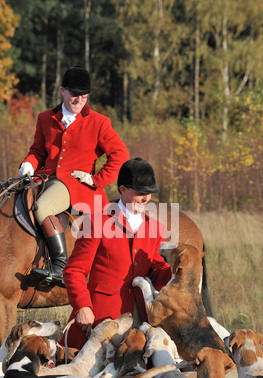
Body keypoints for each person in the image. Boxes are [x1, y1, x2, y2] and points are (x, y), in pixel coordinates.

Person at [19, 66, 129, 286]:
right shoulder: (45, 118)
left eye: (84, 96)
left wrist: (95, 179)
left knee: (42, 207)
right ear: (62, 91)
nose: (80, 100)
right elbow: (38, 151)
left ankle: (60, 265)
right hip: (46, 178)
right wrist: (28, 164)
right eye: (75, 95)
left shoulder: (99, 122)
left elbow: (120, 155)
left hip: (76, 185)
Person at [59, 158, 172, 350]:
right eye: (140, 193)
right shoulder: (96, 222)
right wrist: (82, 307)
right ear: (122, 189)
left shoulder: (155, 228)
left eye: (149, 193)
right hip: (100, 319)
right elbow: (74, 271)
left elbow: (155, 270)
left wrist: (176, 270)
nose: (146, 198)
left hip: (139, 323)